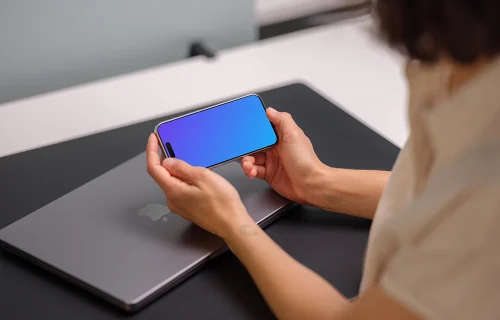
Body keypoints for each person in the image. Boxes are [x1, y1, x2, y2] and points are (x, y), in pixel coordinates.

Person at [146, 1, 500, 319]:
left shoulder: (485, 216)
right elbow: (438, 191)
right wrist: (316, 182)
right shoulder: (459, 54)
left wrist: (232, 223)